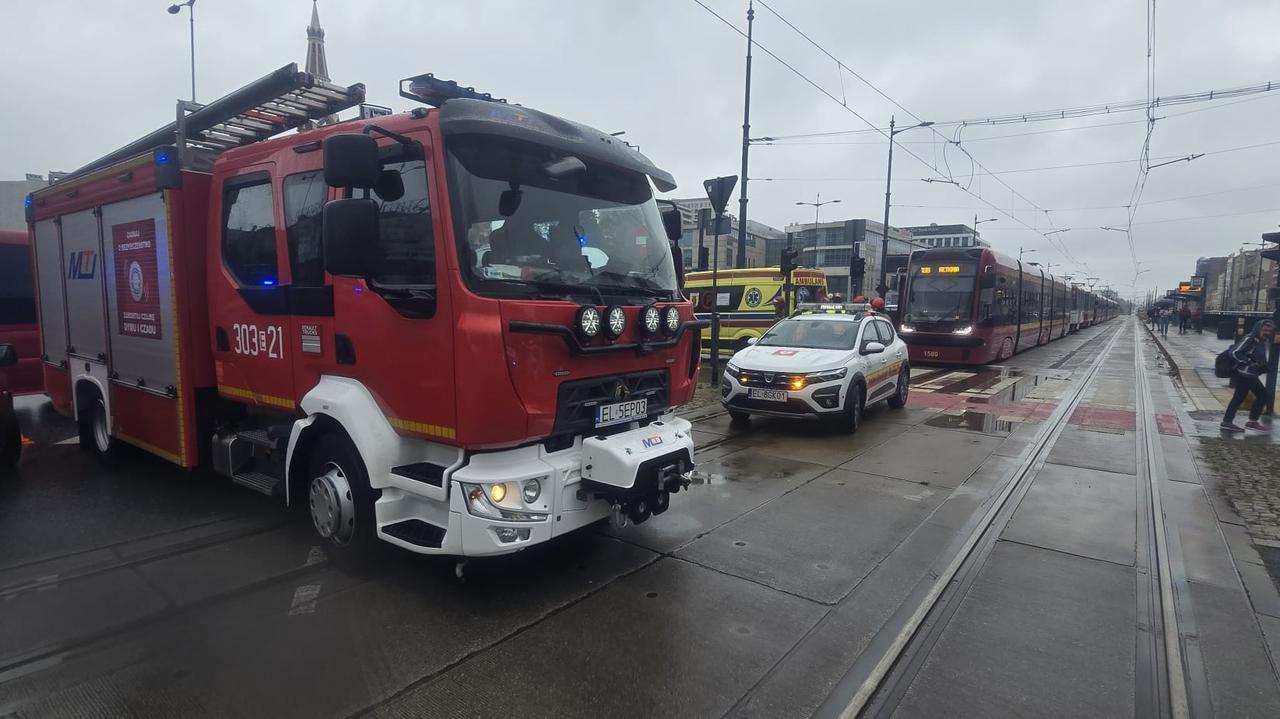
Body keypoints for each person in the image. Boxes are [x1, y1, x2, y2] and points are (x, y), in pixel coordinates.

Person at [1220, 319, 1276, 433]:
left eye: (1269, 331)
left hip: (1251, 374)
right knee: (1256, 396)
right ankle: (1239, 422)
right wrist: (1249, 363)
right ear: (1259, 328)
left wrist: (1261, 366)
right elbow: (1235, 352)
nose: (1267, 332)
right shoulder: (1251, 338)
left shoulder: (1261, 340)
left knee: (1248, 397)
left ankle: (1234, 421)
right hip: (1244, 374)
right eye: (1265, 330)